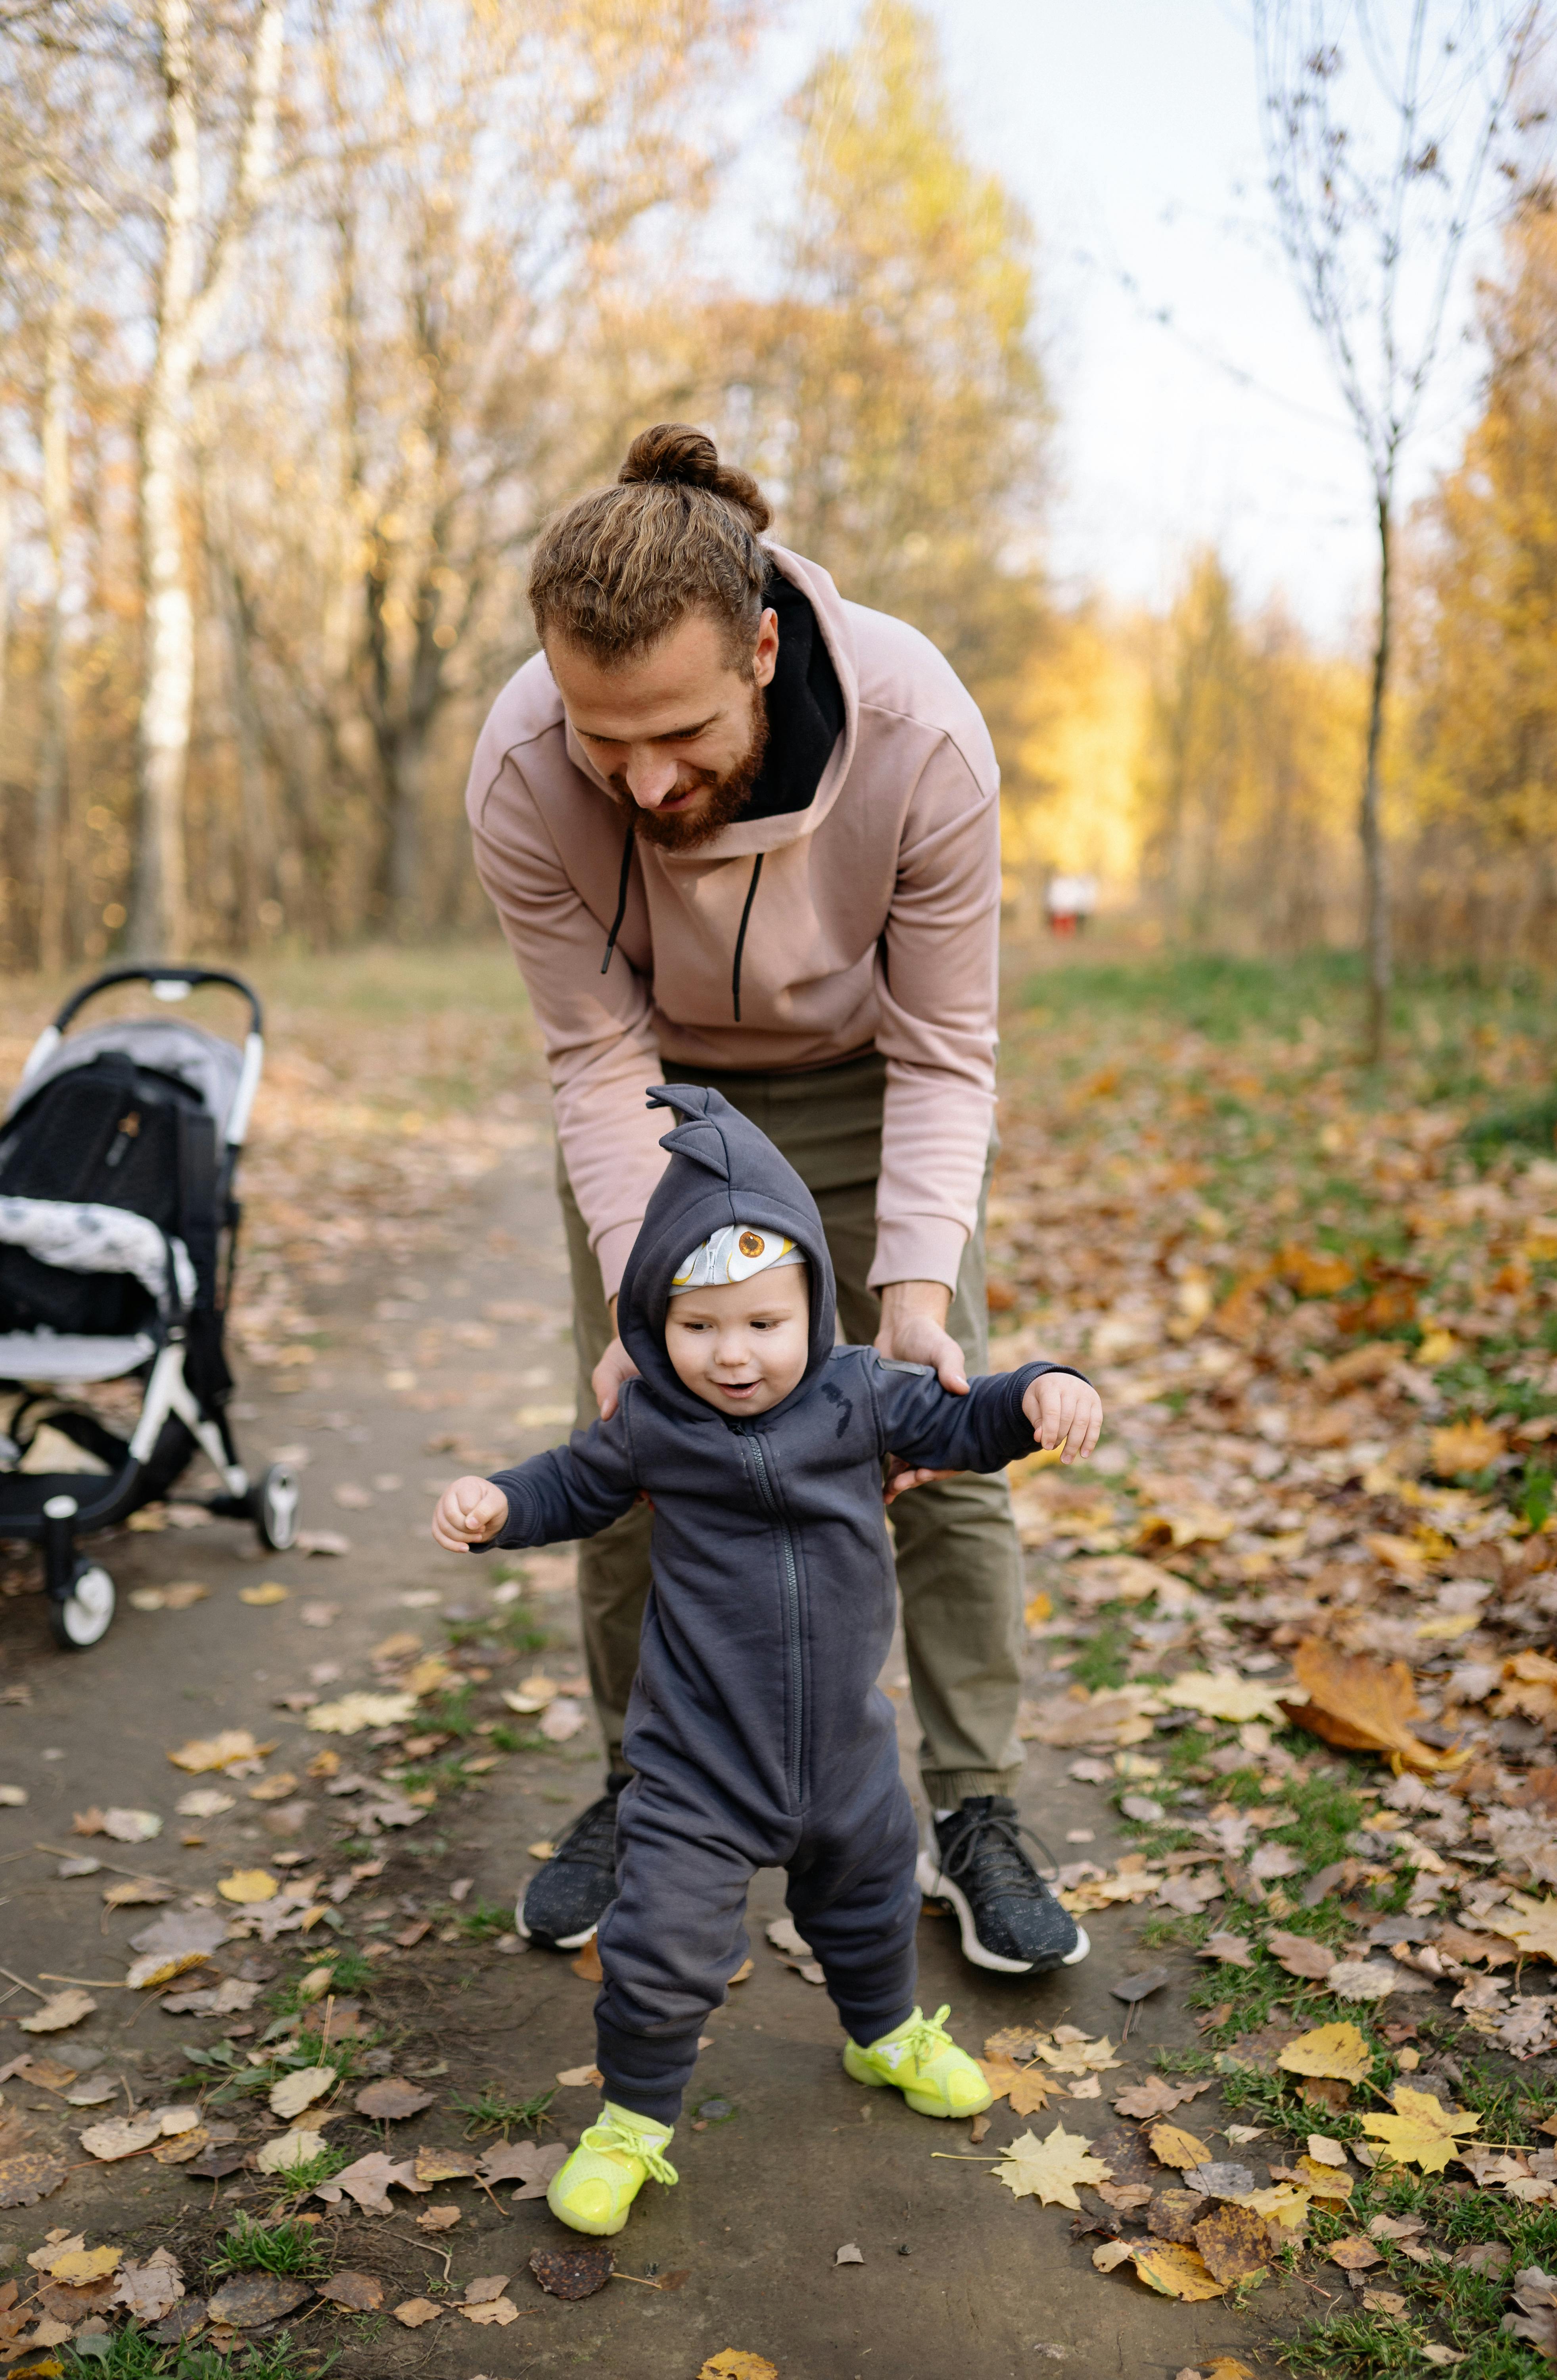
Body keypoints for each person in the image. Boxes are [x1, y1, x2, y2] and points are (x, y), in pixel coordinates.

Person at [467, 419, 1071, 1976]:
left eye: (674, 729)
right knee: (637, 1433)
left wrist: (916, 1296)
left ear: (759, 646)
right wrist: (632, 1306)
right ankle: (637, 1779)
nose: (642, 778)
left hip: (874, 1079)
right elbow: (593, 1057)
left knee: (937, 1430)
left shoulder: (919, 730)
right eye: (606, 740)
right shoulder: (524, 766)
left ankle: (978, 1811)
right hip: (662, 1099)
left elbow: (948, 1048)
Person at [431, 1087, 1103, 2238]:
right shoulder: (653, 1423)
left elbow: (968, 1417)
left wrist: (1039, 1388)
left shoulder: (860, 1395)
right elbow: (571, 1483)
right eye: (698, 1329)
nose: (733, 1356)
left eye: (762, 1324)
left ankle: (885, 2035)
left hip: (843, 1749)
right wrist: (501, 1502)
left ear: (813, 1308)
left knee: (872, 1902)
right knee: (661, 1944)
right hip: (700, 1761)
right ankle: (632, 2123)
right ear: (652, 1326)